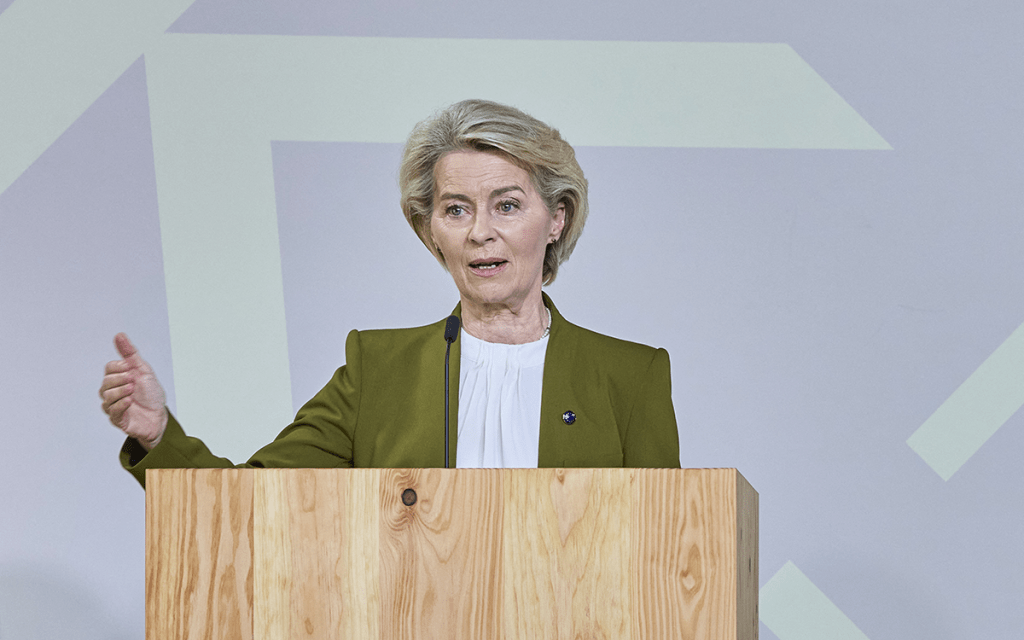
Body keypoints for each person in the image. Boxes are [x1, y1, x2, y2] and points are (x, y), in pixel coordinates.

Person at [100, 99, 679, 487]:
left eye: (507, 204)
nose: (480, 231)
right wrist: (158, 435)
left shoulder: (631, 377)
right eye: (456, 210)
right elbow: (254, 500)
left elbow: (667, 547)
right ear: (430, 229)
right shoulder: (377, 370)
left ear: (556, 217)